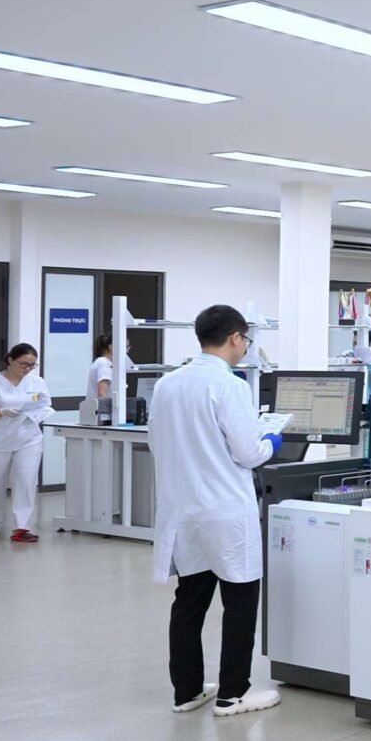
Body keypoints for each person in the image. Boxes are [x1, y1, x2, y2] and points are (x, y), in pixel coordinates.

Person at [149, 305, 284, 717]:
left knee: (189, 602)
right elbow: (249, 453)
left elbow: (157, 442)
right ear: (235, 338)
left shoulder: (167, 384)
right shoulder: (230, 385)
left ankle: (187, 691)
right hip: (225, 511)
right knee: (239, 601)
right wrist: (272, 441)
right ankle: (233, 694)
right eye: (246, 340)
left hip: (183, 511)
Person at [0, 342, 50, 542]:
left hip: (29, 438)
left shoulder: (37, 382)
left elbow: (45, 404)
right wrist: (1, 411)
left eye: (32, 365)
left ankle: (21, 527)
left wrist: (39, 413)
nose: (27, 369)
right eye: (23, 364)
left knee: (25, 481)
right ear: (10, 360)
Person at [84, 332, 117, 422]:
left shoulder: (102, 362)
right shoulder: (104, 363)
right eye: (126, 346)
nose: (127, 350)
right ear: (111, 347)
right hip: (102, 415)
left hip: (97, 413)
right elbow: (102, 392)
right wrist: (113, 412)